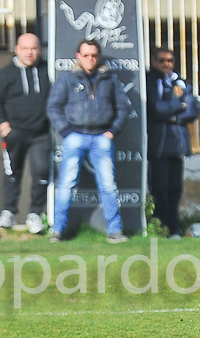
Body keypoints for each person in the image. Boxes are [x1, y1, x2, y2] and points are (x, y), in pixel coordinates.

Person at [47, 39, 130, 244]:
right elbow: (53, 107)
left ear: (98, 56)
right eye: (86, 55)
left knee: (108, 185)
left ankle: (115, 231)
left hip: (102, 137)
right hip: (74, 137)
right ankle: (57, 231)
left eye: (93, 55)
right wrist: (67, 131)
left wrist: (112, 131)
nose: (90, 59)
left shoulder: (110, 79)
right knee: (66, 184)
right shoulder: (67, 79)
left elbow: (123, 107)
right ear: (78, 56)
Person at [0, 33, 51, 234]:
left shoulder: (48, 71)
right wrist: (3, 125)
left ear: (39, 50)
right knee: (11, 173)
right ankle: (9, 212)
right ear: (17, 49)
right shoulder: (5, 75)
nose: (30, 53)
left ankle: (35, 214)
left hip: (40, 134)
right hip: (14, 133)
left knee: (41, 171)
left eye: (34, 48)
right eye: (25, 48)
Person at [146, 47, 200, 239]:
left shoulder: (180, 81)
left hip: (177, 144)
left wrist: (175, 117)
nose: (166, 64)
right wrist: (179, 103)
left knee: (175, 190)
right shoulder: (150, 81)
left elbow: (193, 109)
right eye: (162, 60)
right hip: (159, 146)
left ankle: (174, 227)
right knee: (159, 190)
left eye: (170, 60)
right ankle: (162, 227)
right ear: (154, 62)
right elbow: (156, 109)